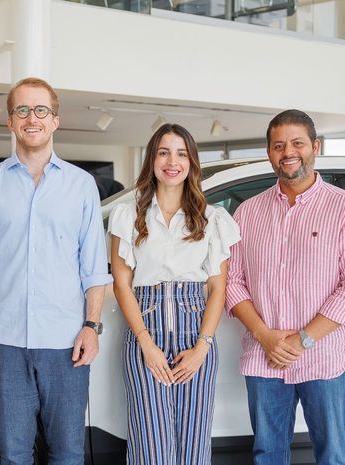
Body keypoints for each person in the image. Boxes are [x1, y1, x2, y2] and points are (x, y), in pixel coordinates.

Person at [0, 77, 112, 465]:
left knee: (68, 454)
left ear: (55, 120)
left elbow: (95, 268)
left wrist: (91, 328)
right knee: (13, 455)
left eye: (41, 110)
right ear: (10, 121)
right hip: (5, 344)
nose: (32, 118)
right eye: (22, 110)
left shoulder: (81, 186)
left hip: (67, 344)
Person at [226, 109, 345, 465]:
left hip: (325, 357)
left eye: (297, 143)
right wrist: (265, 336)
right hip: (265, 358)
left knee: (333, 455)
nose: (288, 151)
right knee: (267, 454)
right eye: (279, 145)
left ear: (315, 147)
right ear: (269, 153)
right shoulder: (247, 213)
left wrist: (301, 339)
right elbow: (233, 282)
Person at [109, 123, 240, 465]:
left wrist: (202, 348)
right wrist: (145, 343)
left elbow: (217, 288)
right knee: (151, 447)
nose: (172, 161)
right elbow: (122, 285)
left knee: (193, 447)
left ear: (191, 162)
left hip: (195, 338)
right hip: (145, 337)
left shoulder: (212, 219)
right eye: (164, 152)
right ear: (152, 159)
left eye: (181, 153)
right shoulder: (128, 216)